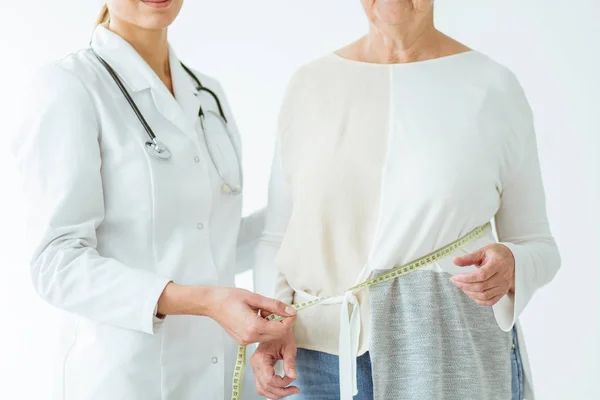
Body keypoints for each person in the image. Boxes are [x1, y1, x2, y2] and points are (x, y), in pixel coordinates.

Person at [250, 0, 561, 399]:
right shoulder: (309, 85)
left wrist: (513, 265)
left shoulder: (491, 86)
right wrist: (270, 324)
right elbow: (277, 234)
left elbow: (540, 245)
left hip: (445, 353)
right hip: (318, 360)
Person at [11, 1, 295, 399]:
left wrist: (313, 207)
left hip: (220, 371)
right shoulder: (68, 87)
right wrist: (206, 302)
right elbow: (57, 262)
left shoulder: (207, 93)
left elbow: (215, 240)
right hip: (126, 376)